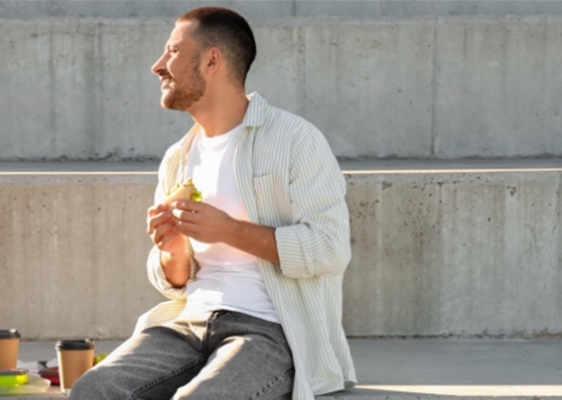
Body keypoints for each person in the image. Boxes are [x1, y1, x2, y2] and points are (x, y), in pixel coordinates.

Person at [70, 7, 355, 400]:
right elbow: (175, 280)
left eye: (171, 52)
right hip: (187, 324)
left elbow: (330, 249)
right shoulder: (178, 158)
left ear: (212, 60)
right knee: (95, 389)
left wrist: (229, 231)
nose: (157, 66)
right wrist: (172, 253)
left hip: (269, 331)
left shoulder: (294, 140)